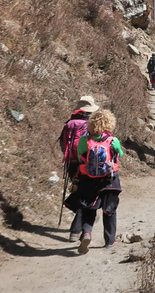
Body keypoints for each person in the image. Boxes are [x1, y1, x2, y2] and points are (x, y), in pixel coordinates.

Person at [65, 109, 123, 254]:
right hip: (109, 181)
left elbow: (80, 157)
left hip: (88, 179)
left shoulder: (85, 140)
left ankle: (86, 233)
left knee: (88, 209)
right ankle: (109, 241)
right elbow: (119, 154)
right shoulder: (113, 140)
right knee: (109, 210)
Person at [58, 95, 99, 242]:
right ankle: (76, 231)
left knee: (79, 191)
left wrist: (68, 157)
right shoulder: (89, 124)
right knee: (85, 195)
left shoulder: (69, 123)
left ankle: (80, 218)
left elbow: (62, 143)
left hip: (70, 163)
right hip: (85, 164)